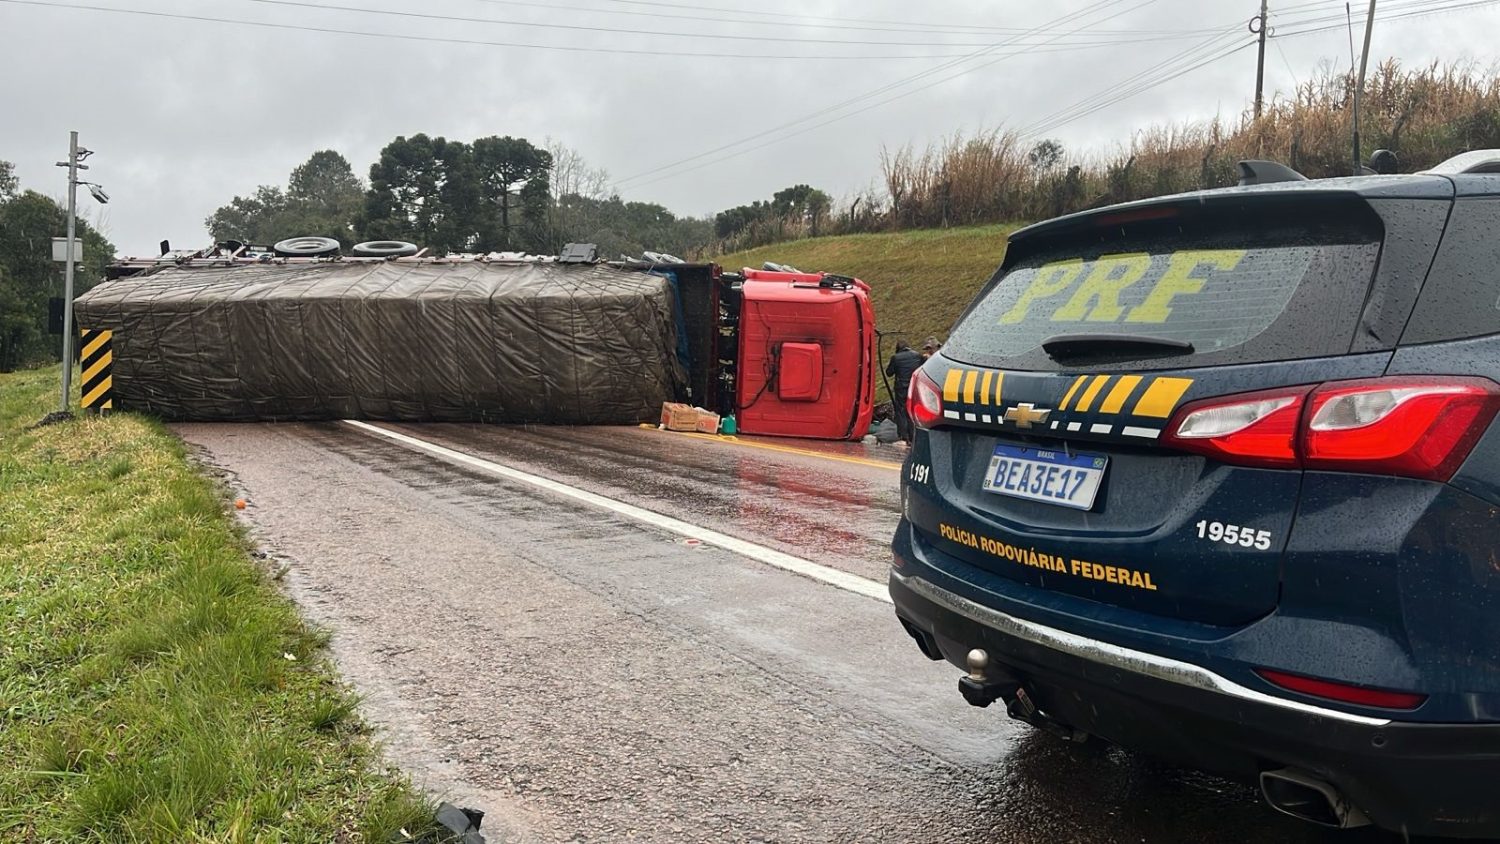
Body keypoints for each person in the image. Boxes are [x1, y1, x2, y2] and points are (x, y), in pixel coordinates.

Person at [886, 340, 925, 444]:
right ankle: (913, 435)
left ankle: (903, 436)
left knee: (900, 411)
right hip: (913, 387)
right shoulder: (917, 355)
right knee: (911, 410)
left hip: (901, 388)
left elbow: (889, 373)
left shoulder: (896, 358)